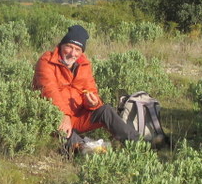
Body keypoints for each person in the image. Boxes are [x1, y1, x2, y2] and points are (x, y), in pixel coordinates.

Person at [33, 24, 138, 153]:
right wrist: (63, 115)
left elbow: (90, 89)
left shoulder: (84, 64)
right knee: (72, 141)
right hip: (55, 116)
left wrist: (93, 103)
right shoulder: (46, 61)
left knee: (106, 110)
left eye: (77, 49)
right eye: (69, 47)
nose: (72, 53)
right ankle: (85, 150)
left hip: (78, 118)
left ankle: (137, 144)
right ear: (61, 45)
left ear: (82, 51)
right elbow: (49, 91)